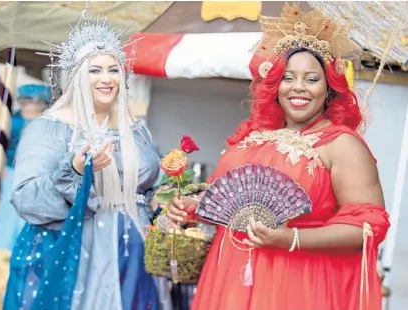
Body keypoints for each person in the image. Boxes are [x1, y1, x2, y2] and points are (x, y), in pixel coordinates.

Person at [167, 5, 390, 310]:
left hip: (297, 283)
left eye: (311, 79)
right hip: (230, 277)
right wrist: (196, 206)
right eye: (288, 78)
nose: (298, 87)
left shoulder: (342, 146)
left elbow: (368, 227)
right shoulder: (251, 139)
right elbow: (228, 200)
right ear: (275, 86)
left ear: (329, 89)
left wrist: (292, 238)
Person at [3, 5, 172, 310]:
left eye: (113, 69)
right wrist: (76, 171)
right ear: (75, 75)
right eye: (94, 70)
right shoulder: (51, 129)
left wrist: (169, 201)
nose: (106, 79)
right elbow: (26, 199)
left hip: (135, 256)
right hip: (75, 256)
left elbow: (151, 186)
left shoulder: (136, 129)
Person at [0, 84, 51, 251]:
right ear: (21, 101)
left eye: (38, 101)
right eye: (29, 100)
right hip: (8, 174)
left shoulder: (50, 124)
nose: (33, 104)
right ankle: (1, 251)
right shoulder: (7, 120)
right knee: (6, 215)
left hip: (37, 177)